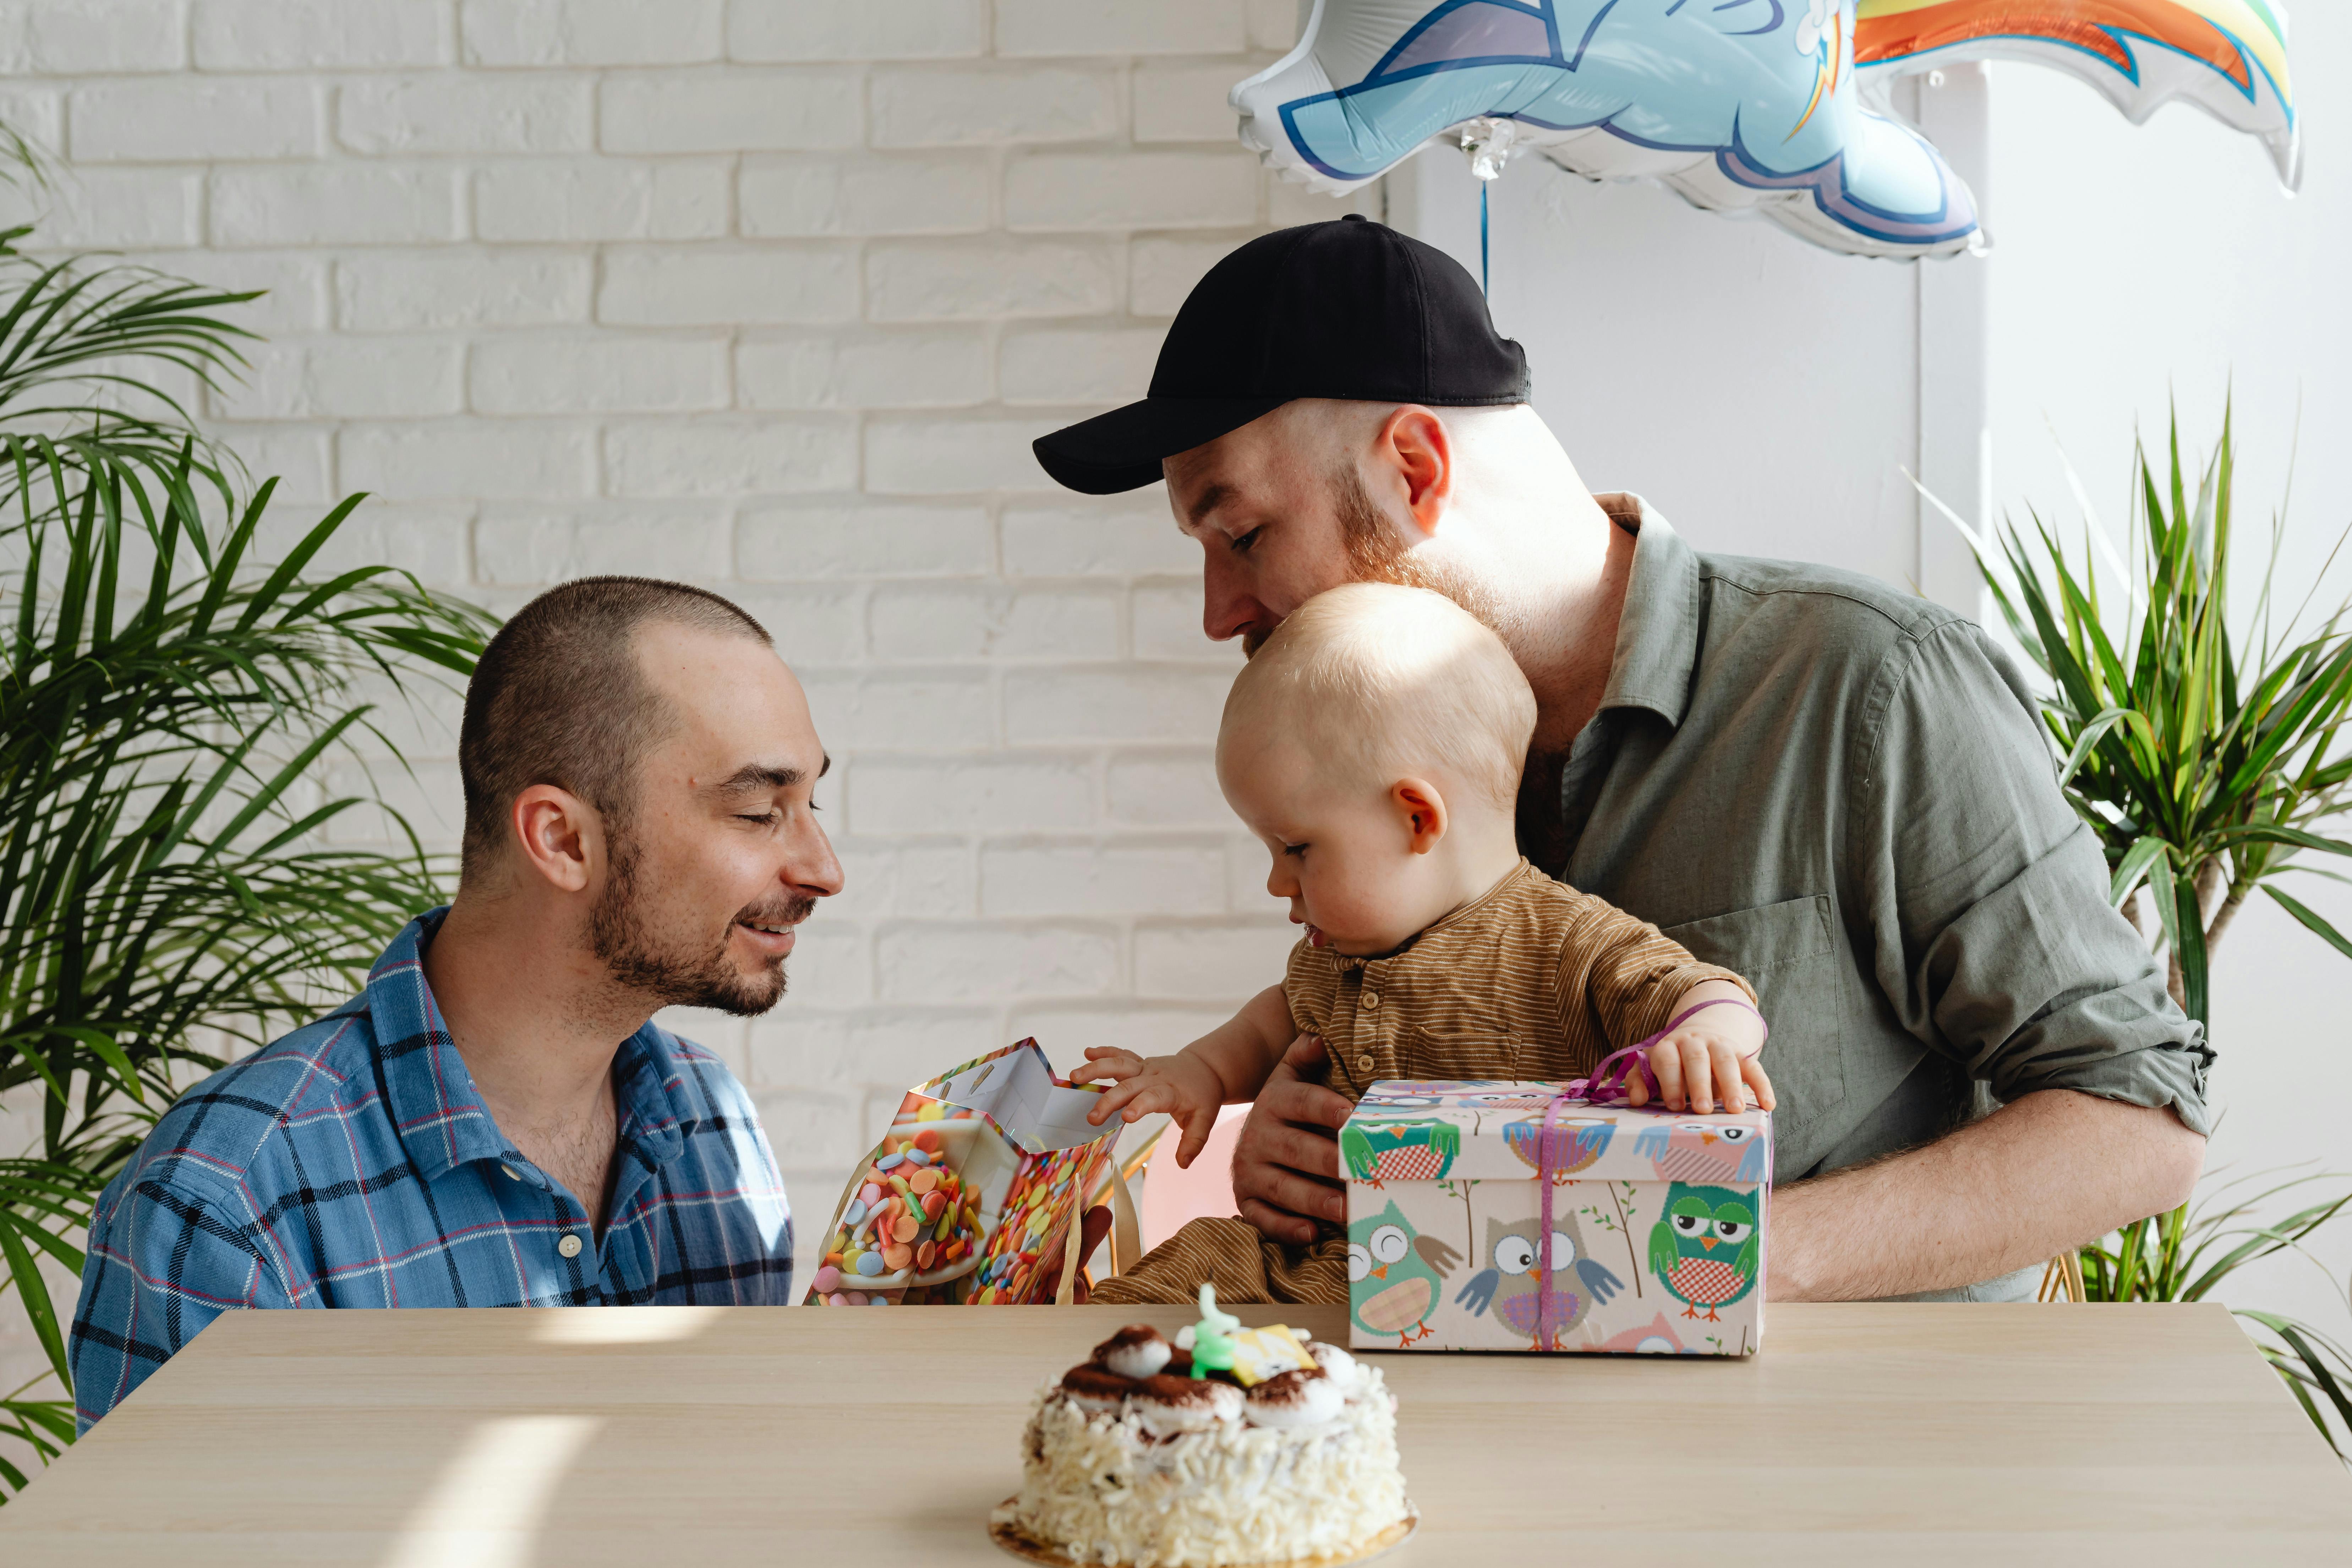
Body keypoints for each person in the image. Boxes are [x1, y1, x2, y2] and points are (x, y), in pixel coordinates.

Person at [1032, 215, 2210, 1303]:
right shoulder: (1386, 751)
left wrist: (1721, 1253)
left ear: (1415, 469)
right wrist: (1304, 1153)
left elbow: (2138, 1119)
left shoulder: (1869, 684)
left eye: (1240, 534)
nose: (1216, 609)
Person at [69, 577, 842, 1429]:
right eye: (758, 811)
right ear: (562, 839)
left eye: (812, 803)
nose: (822, 868)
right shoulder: (229, 1205)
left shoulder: (714, 1126)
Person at [1075, 583, 1771, 1305]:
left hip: (1490, 1272)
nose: (1278, 882)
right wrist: (1196, 1073)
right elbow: (1270, 1022)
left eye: (1296, 847)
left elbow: (1694, 986)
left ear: (1415, 819)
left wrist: (1708, 1038)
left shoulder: (1563, 938)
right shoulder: (1336, 952)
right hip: (1311, 1260)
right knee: (1161, 1281)